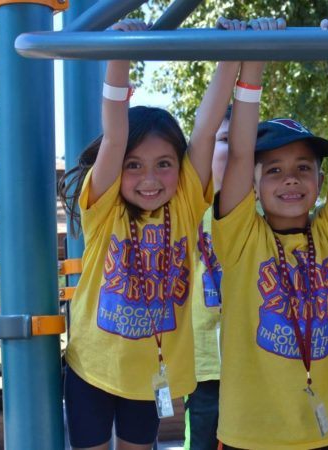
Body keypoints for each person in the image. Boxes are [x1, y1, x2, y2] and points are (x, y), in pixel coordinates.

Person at [58, 18, 242, 450]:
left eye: (164, 163)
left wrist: (231, 52)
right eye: (134, 165)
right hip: (92, 370)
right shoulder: (103, 209)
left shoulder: (184, 205)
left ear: (180, 169)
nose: (150, 178)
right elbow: (117, 132)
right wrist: (120, 56)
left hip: (151, 375)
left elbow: (206, 125)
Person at [212, 16, 328, 450]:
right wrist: (255, 63)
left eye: (304, 169)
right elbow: (241, 152)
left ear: (319, 182)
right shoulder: (242, 236)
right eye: (275, 171)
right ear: (256, 186)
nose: (291, 180)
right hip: (255, 431)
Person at [183, 105, 231, 450]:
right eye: (223, 140)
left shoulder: (264, 213)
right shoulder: (187, 213)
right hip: (202, 370)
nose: (234, 150)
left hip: (254, 364)